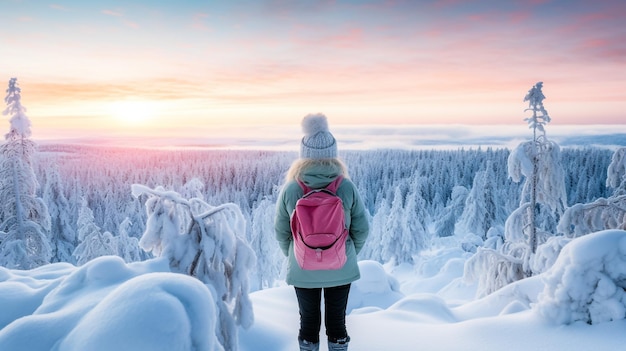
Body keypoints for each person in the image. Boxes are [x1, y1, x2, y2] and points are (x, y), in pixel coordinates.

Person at [274, 113, 369, 351]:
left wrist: (298, 254)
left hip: (303, 267)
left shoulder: (292, 188)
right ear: (333, 154)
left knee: (308, 324)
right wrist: (343, 252)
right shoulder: (345, 186)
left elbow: (281, 230)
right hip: (341, 267)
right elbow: (362, 228)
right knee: (337, 325)